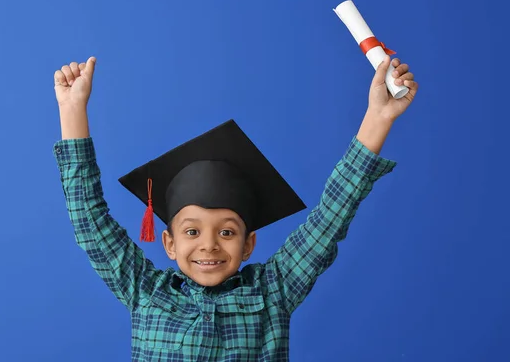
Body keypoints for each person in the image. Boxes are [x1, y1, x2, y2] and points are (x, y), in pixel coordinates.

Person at [52, 55, 418, 361]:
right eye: (192, 231)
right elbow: (89, 221)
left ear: (248, 244)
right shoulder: (146, 291)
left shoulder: (274, 291)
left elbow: (330, 219)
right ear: (169, 243)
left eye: (226, 232)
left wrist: (378, 118)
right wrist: (72, 110)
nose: (209, 245)